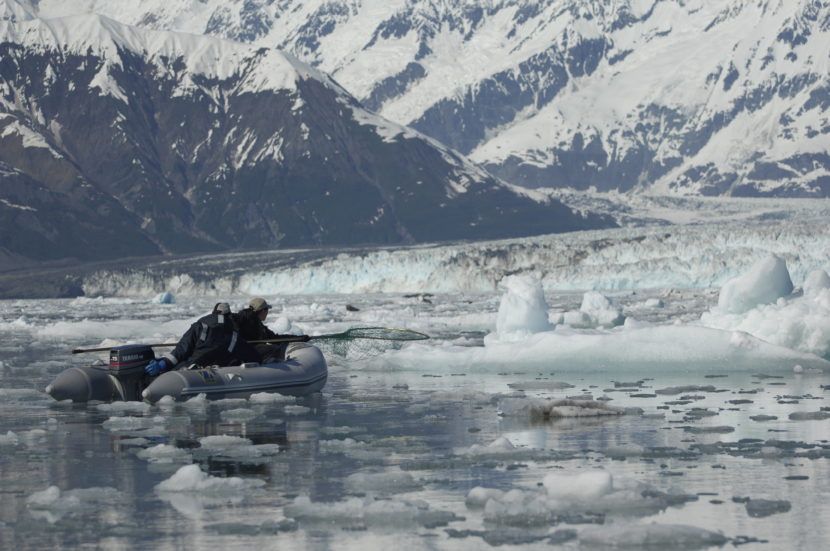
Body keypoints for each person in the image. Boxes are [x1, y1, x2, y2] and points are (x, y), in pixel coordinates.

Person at [145, 302, 260, 376]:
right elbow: (251, 355)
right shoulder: (233, 334)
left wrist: (164, 364)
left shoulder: (200, 325)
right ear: (229, 315)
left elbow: (181, 349)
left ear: (213, 313)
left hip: (190, 368)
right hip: (219, 373)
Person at [233, 297, 305, 362]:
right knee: (274, 349)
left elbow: (274, 338)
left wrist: (299, 338)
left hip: (246, 350)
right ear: (262, 310)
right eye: (266, 309)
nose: (267, 312)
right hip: (244, 351)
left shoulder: (255, 321)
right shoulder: (250, 321)